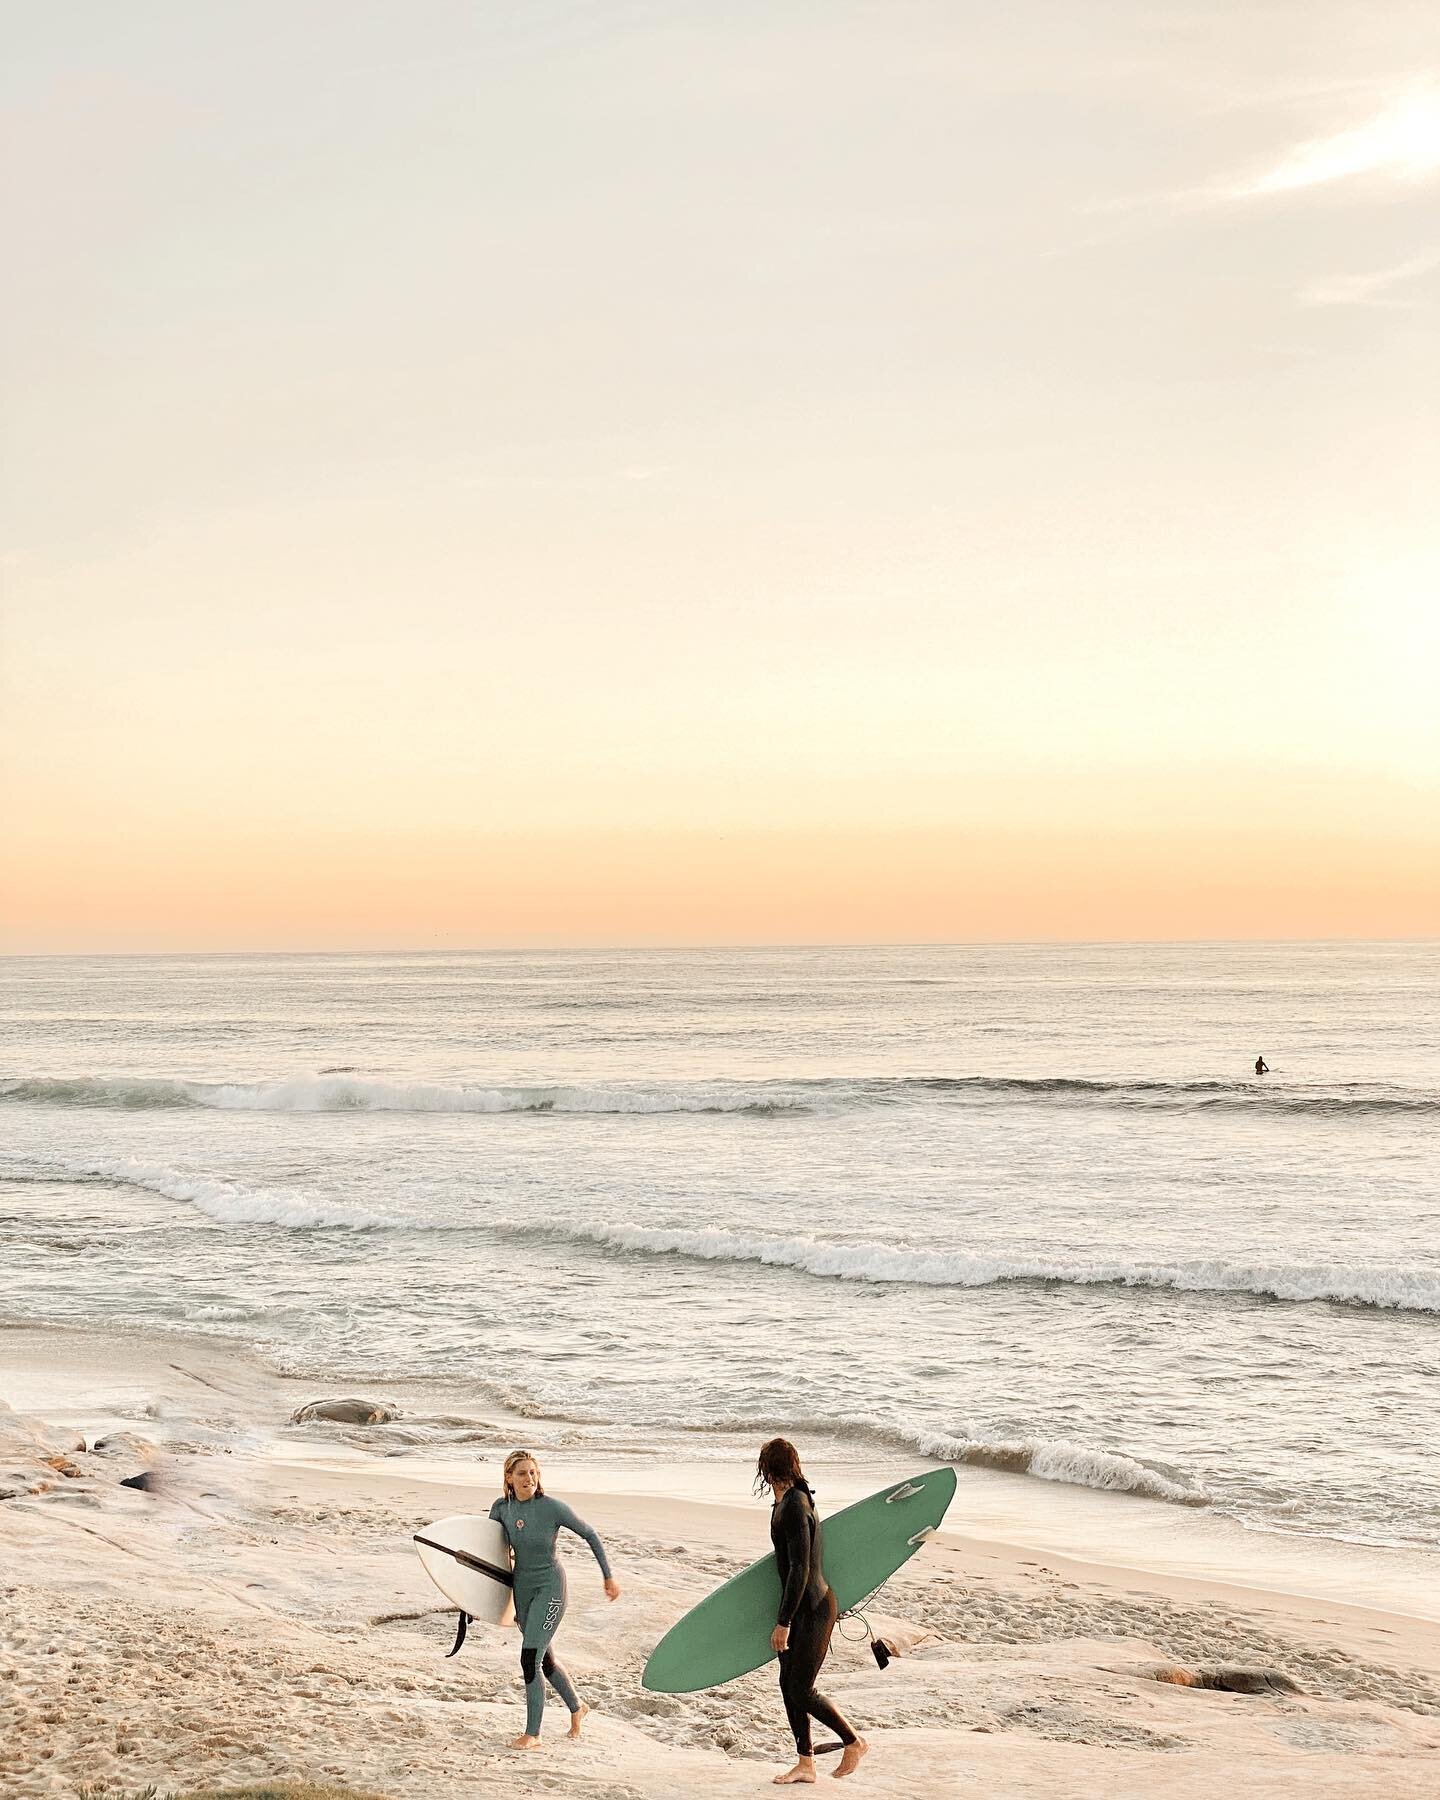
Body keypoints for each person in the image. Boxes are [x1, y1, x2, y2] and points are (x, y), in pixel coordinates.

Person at [489, 1449, 620, 1749]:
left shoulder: (551, 1508)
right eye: (522, 1473)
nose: (529, 1478)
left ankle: (533, 1734)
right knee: (544, 1661)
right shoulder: (500, 1510)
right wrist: (473, 1598)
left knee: (528, 1659)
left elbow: (590, 1534)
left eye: (533, 1472)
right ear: (509, 1478)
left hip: (550, 1587)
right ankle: (577, 1708)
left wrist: (608, 1577)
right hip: (522, 1589)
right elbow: (491, 1556)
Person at [757, 1437, 866, 1784]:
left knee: (802, 1688)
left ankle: (853, 1741)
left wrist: (783, 1622)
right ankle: (806, 1763)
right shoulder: (784, 1502)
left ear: (769, 1469)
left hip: (814, 1609)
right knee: (789, 1685)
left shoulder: (795, 1505)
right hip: (800, 1607)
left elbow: (800, 1569)